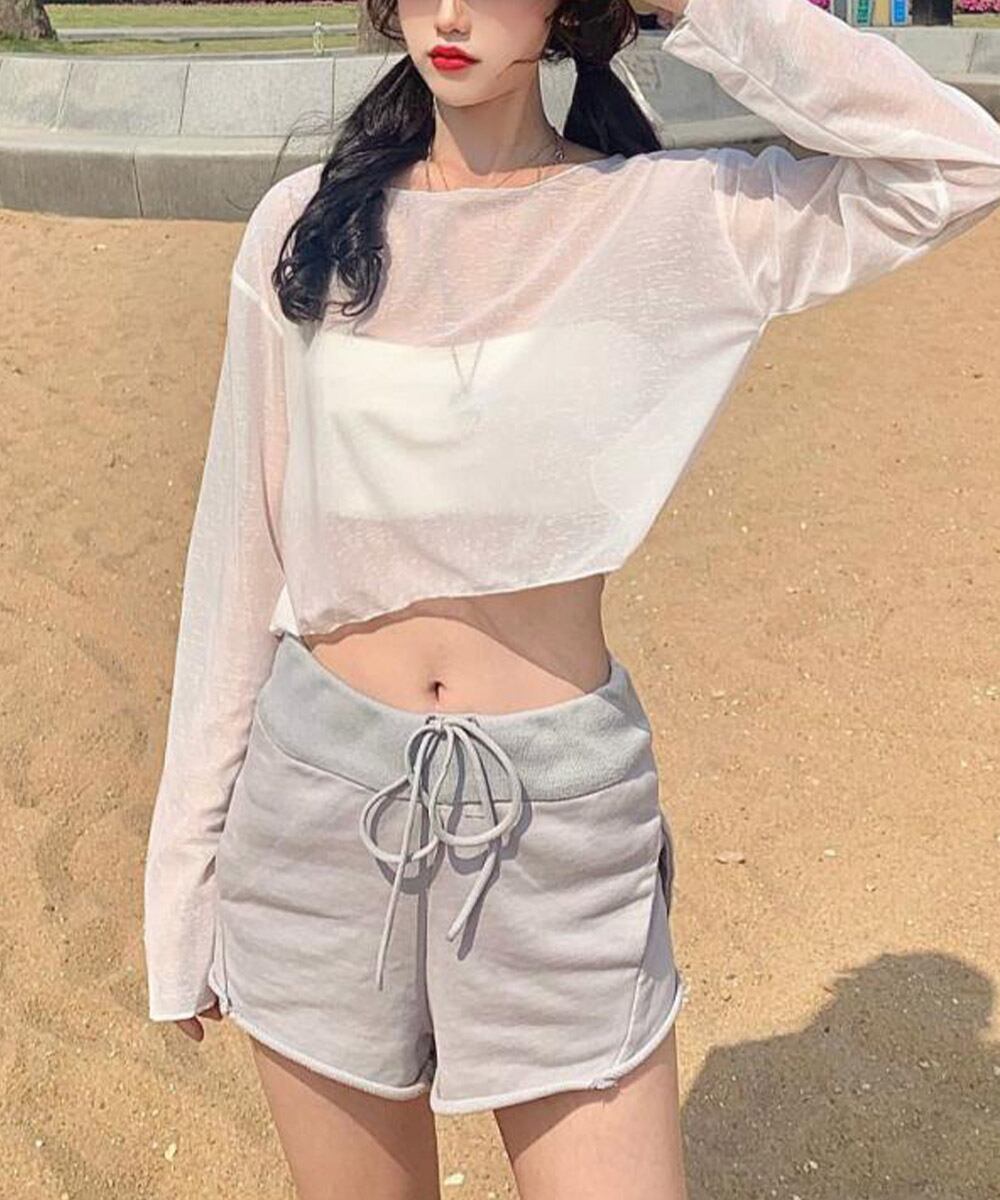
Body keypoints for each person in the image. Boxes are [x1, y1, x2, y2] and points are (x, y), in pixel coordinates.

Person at [141, 0, 1000, 1196]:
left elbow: (958, 163)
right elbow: (240, 557)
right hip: (316, 811)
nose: (450, 13)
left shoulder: (661, 216)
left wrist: (689, 5)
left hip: (554, 821)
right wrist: (181, 880)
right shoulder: (307, 225)